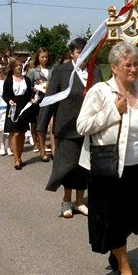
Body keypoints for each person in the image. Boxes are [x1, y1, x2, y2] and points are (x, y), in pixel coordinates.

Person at [76, 42, 138, 275]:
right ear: (114, 67)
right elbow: (82, 126)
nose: (133, 69)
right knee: (113, 216)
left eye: (135, 64)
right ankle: (124, 264)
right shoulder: (101, 91)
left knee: (136, 212)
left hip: (137, 166)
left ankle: (116, 246)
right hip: (108, 167)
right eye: (128, 65)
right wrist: (113, 110)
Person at [38, 37, 103, 219]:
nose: (83, 55)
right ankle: (66, 201)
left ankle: (80, 201)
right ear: (72, 54)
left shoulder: (95, 71)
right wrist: (42, 125)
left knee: (84, 167)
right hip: (67, 127)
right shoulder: (61, 71)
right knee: (68, 165)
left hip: (89, 127)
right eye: (79, 52)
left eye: (86, 52)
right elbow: (50, 97)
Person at [2, 59, 37, 170]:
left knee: (22, 133)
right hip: (14, 107)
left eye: (20, 65)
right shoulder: (8, 80)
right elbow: (5, 95)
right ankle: (16, 159)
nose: (19, 67)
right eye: (16, 65)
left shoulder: (26, 79)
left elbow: (29, 93)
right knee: (15, 133)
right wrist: (9, 101)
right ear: (12, 67)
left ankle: (20, 157)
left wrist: (32, 98)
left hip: (25, 107)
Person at [26, 47, 52, 161]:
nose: (44, 59)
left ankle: (51, 147)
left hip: (51, 100)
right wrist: (36, 88)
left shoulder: (52, 70)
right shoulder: (33, 71)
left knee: (50, 125)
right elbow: (27, 86)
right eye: (42, 57)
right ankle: (41, 148)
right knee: (38, 125)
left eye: (46, 57)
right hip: (38, 101)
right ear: (38, 57)